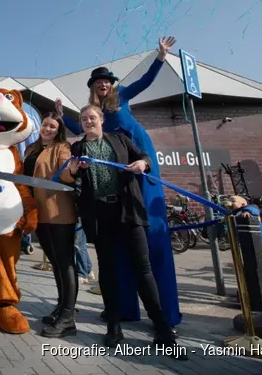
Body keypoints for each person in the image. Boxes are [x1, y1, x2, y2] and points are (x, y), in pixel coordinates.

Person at [55, 36, 181, 329]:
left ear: (111, 85)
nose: (103, 84)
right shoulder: (93, 114)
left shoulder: (121, 95)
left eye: (107, 81)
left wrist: (161, 57)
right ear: (91, 87)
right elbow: (80, 127)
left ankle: (164, 313)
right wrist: (62, 118)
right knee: (117, 238)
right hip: (113, 167)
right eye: (98, 81)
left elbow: (146, 81)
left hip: (137, 156)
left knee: (148, 227)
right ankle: (124, 307)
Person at [69, 105, 184, 358]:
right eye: (84, 119)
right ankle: (113, 325)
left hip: (128, 211)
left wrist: (143, 163)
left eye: (92, 118)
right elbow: (73, 180)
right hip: (99, 215)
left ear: (101, 120)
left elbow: (147, 158)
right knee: (107, 270)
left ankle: (162, 327)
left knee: (143, 268)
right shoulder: (77, 148)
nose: (89, 122)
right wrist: (75, 172)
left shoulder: (120, 139)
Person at [22, 112, 78, 338]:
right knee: (55, 263)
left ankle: (68, 318)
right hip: (39, 213)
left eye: (52, 127)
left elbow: (66, 174)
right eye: (45, 125)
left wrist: (72, 170)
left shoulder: (61, 147)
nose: (47, 129)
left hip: (58, 213)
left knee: (65, 264)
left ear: (58, 130)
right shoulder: (31, 149)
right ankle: (61, 307)